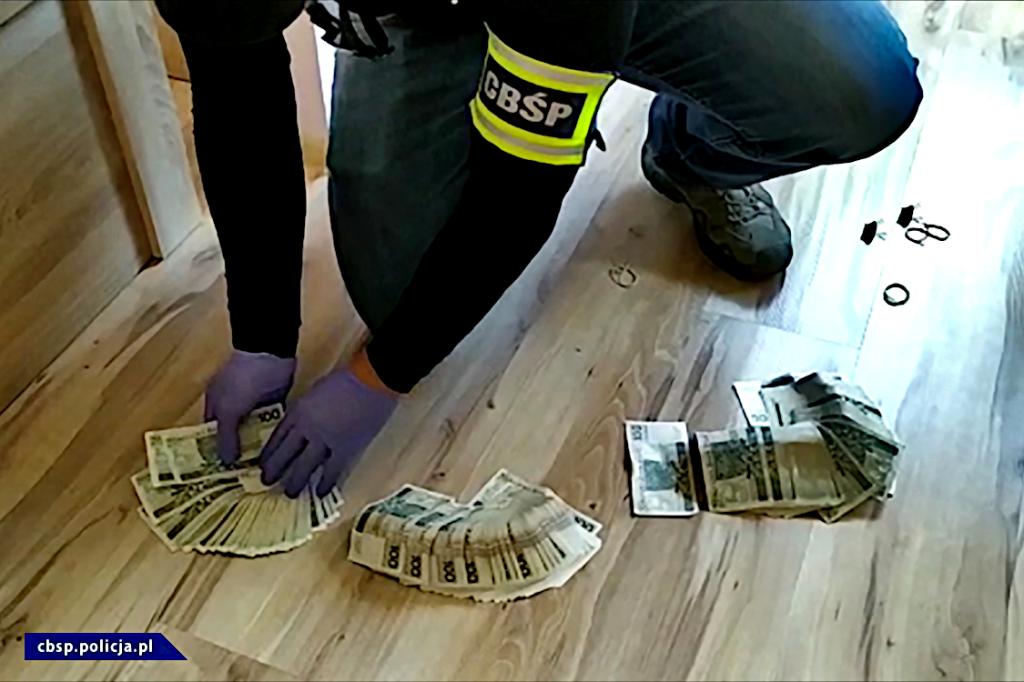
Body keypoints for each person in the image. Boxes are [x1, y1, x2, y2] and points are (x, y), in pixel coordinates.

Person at [156, 0, 922, 499]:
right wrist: (262, 334)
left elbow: (521, 185)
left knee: (852, 93)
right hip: (424, 14)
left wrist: (377, 378)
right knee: (402, 291)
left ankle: (689, 152)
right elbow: (236, 87)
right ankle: (534, 51)